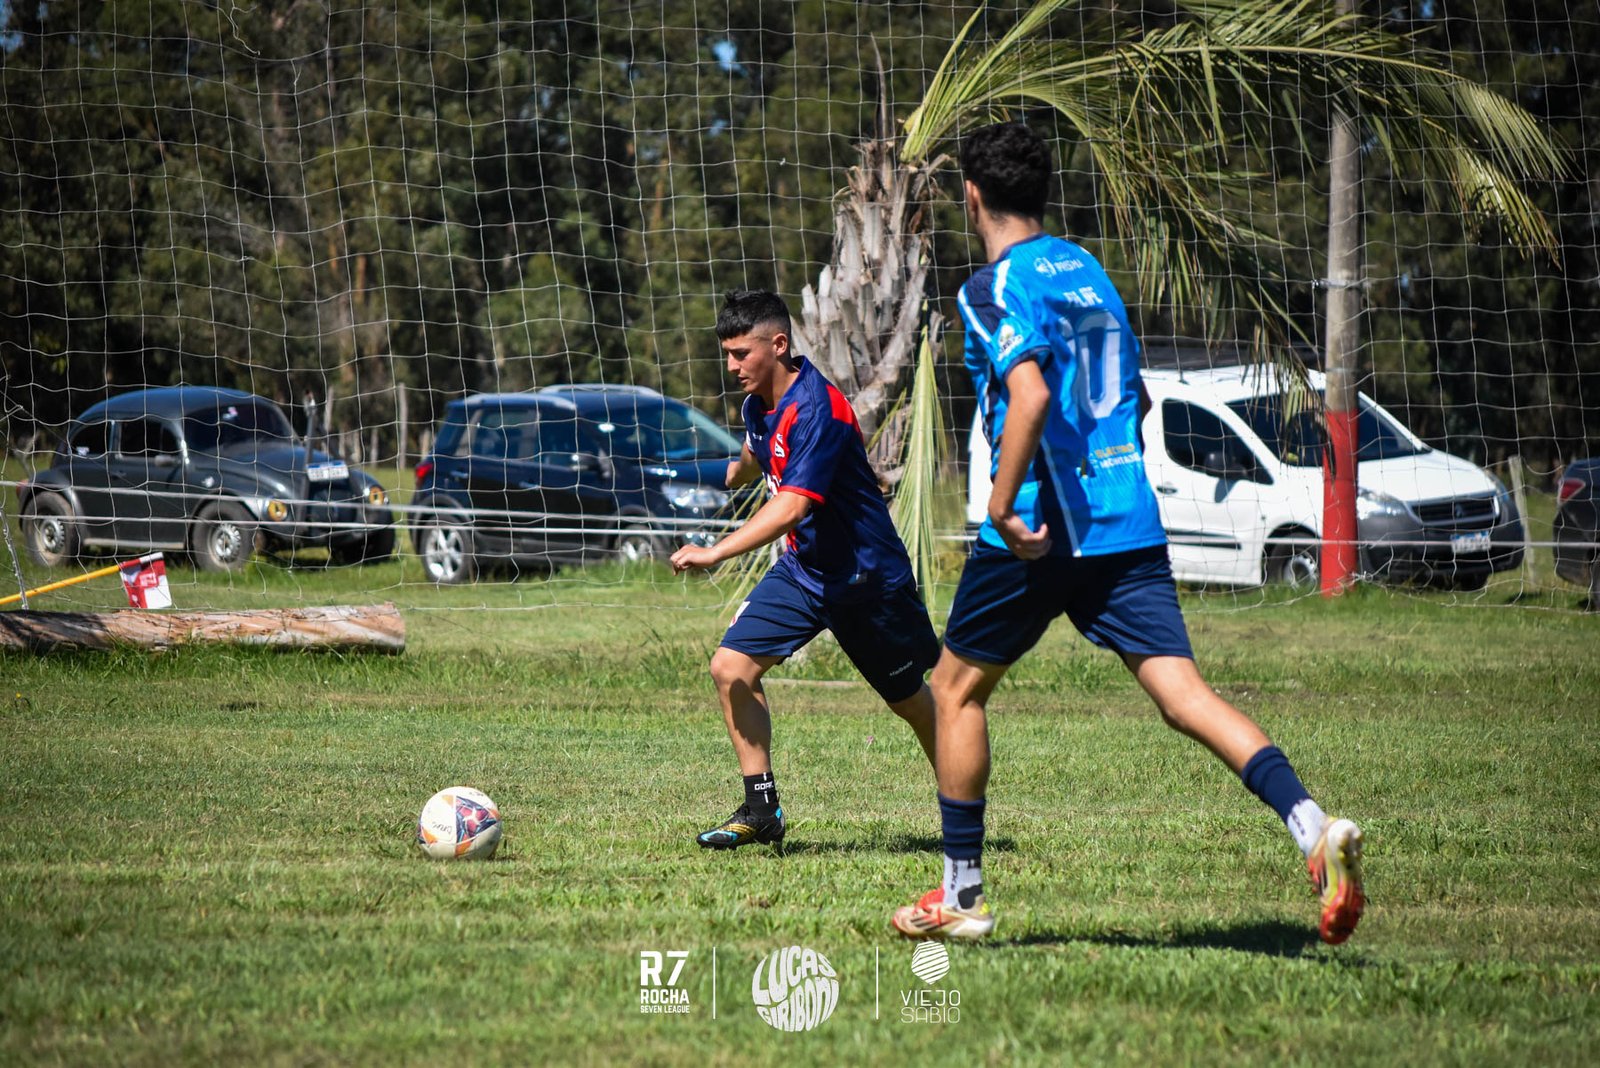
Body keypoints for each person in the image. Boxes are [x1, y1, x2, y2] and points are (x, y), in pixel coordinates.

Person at [889, 123, 1365, 944]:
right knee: (1186, 698)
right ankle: (1311, 825)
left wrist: (1001, 506)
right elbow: (1135, 397)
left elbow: (1031, 396)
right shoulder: (1089, 272)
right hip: (1128, 519)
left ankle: (961, 896)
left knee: (955, 691)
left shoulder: (992, 287)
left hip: (1039, 526)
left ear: (972, 196)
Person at [671, 289, 940, 849]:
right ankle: (761, 809)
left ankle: (964, 806)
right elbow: (749, 464)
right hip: (804, 570)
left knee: (912, 705)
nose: (731, 366)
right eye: (726, 354)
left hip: (865, 580)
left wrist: (715, 551)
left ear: (778, 344)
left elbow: (793, 505)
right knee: (731, 669)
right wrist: (688, 470)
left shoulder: (819, 409)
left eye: (741, 353)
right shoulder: (757, 404)